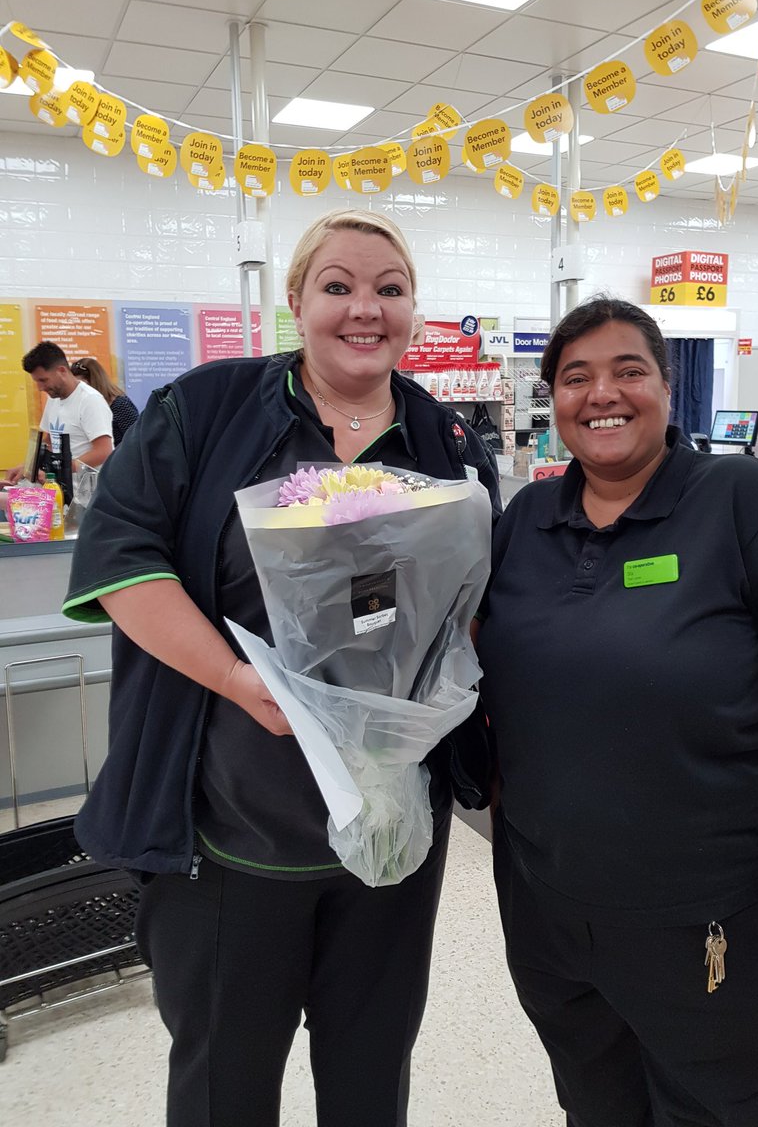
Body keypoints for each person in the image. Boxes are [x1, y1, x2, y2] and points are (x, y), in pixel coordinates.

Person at [62, 209, 500, 1127]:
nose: (365, 308)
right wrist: (236, 680)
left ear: (413, 310)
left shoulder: (446, 442)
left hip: (390, 835)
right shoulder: (207, 410)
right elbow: (121, 558)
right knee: (224, 1084)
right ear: (296, 300)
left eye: (389, 288)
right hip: (231, 828)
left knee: (370, 1075)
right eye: (338, 286)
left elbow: (474, 610)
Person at [477, 297, 758, 1127]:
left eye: (628, 371)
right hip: (551, 913)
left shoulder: (746, 502)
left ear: (668, 386)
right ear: (554, 399)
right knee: (595, 1104)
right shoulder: (528, 519)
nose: (602, 394)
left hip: (714, 918)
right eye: (576, 377)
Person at [5, 341, 113, 484]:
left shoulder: (90, 400)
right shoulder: (53, 398)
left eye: (43, 380)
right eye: (37, 381)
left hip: (86, 490)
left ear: (62, 371)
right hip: (61, 487)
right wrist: (28, 467)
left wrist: (58, 471)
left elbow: (103, 451)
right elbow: (49, 441)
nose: (40, 387)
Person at [70, 355, 139, 447]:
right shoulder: (83, 405)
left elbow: (137, 438)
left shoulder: (120, 405)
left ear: (94, 382)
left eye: (81, 385)